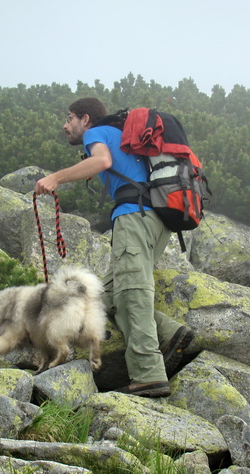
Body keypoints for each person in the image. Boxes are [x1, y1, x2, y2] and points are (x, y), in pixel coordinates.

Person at [35, 97, 193, 397]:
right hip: (157, 221)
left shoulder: (97, 133)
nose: (64, 125)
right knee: (102, 298)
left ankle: (148, 374)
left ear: (85, 119)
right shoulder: (122, 137)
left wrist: (55, 178)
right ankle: (169, 332)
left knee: (133, 292)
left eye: (69, 118)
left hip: (134, 216)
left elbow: (102, 161)